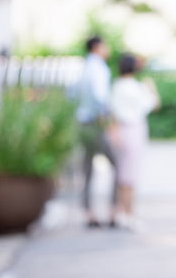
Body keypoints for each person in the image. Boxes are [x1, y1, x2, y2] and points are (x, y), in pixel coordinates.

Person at [109, 54, 159, 230]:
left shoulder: (116, 86)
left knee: (123, 174)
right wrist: (151, 88)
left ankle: (121, 211)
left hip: (121, 130)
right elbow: (154, 104)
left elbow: (112, 112)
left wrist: (113, 132)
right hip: (134, 129)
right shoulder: (137, 87)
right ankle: (129, 214)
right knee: (130, 175)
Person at [76, 36, 118, 228]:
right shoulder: (99, 68)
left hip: (83, 122)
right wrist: (110, 122)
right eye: (105, 45)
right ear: (97, 47)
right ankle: (113, 212)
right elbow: (101, 97)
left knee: (87, 169)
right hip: (95, 123)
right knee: (117, 164)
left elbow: (73, 95)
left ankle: (88, 213)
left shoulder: (84, 67)